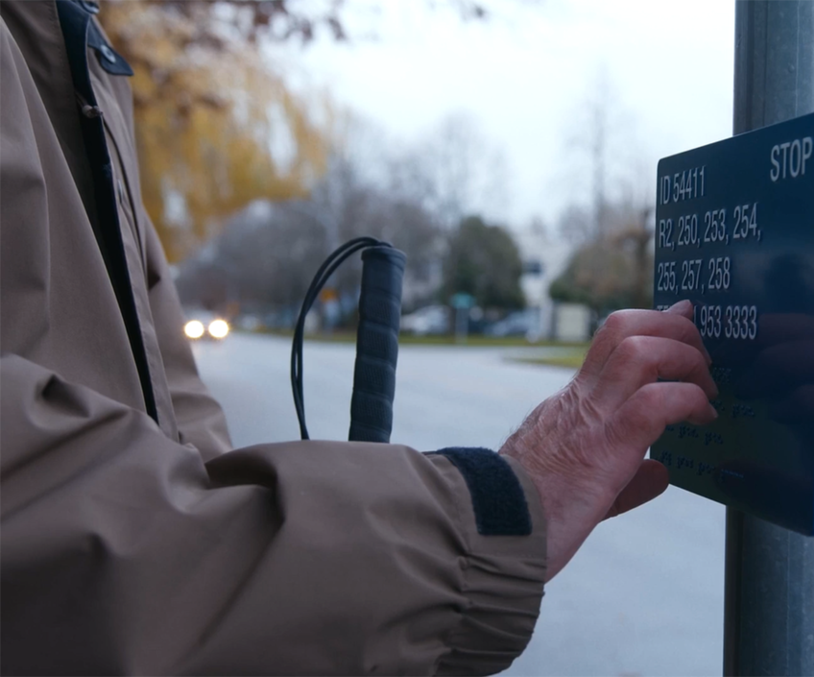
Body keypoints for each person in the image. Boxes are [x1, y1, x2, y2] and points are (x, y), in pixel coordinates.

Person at [0, 1, 718, 675]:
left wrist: (332, 606)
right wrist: (487, 512)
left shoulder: (66, 39)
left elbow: (176, 449)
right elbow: (37, 530)